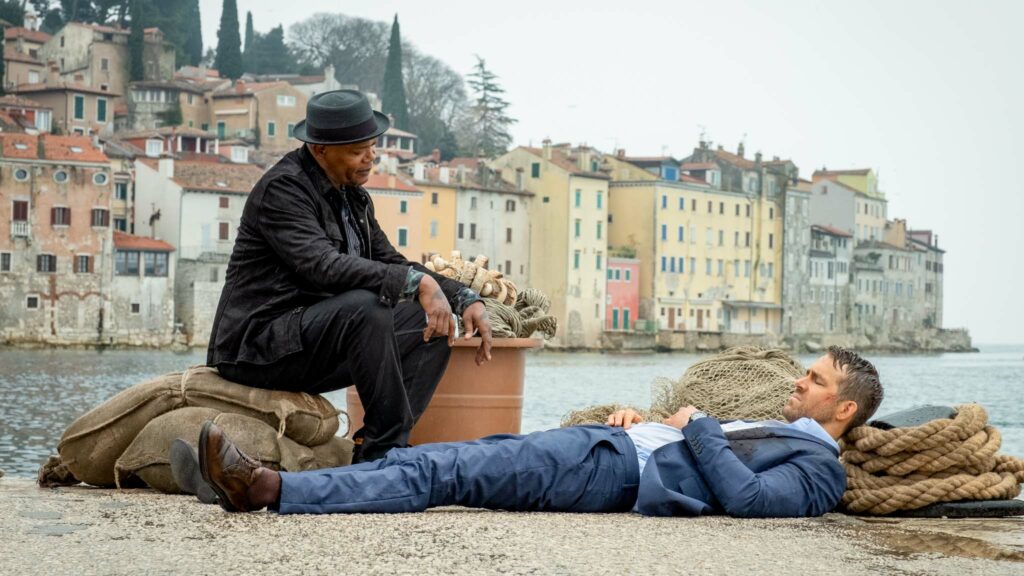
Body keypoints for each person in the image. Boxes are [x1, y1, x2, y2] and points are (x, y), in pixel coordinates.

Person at [195, 346, 882, 518]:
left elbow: (751, 504)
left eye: (817, 382)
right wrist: (642, 423)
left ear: (844, 411)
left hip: (610, 474)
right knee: (437, 460)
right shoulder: (787, 429)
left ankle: (269, 489)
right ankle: (275, 483)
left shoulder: (820, 469)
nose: (800, 382)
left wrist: (697, 424)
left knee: (441, 474)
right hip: (611, 448)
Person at [206, 89, 493, 463]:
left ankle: (379, 453)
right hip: (259, 346)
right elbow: (321, 266)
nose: (370, 158)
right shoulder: (283, 189)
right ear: (320, 149)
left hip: (314, 339)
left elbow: (391, 261)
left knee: (431, 322)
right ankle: (385, 453)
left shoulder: (353, 197)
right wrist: (420, 284)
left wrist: (462, 297)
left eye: (373, 147)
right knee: (366, 307)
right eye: (359, 151)